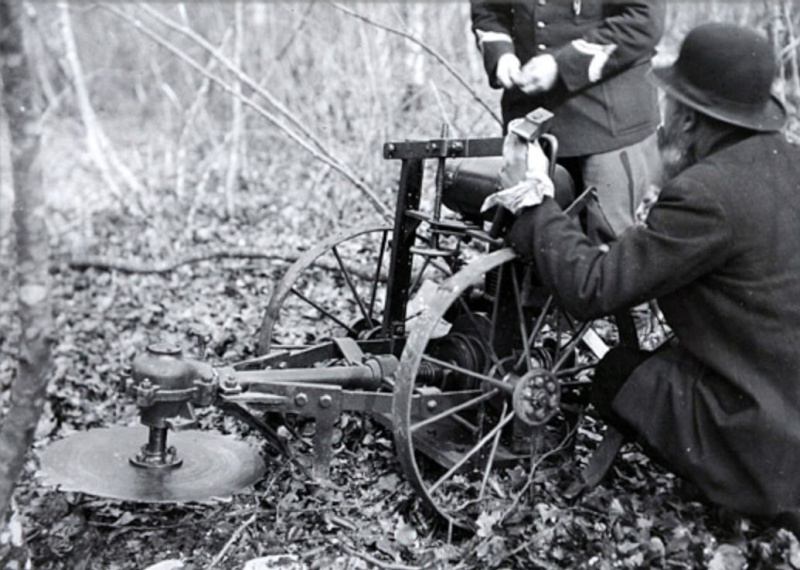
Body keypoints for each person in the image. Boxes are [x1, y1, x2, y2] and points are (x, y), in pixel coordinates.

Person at [497, 23, 800, 533]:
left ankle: (745, 494)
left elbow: (591, 288)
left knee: (616, 373)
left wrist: (535, 202)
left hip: (771, 444)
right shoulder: (789, 161)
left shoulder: (706, 194)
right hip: (784, 393)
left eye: (673, 103)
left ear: (690, 114)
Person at [470, 0, 666, 237]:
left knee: (607, 242)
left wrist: (562, 65)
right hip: (531, 119)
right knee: (528, 240)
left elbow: (643, 20)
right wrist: (502, 54)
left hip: (608, 122)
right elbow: (488, 9)